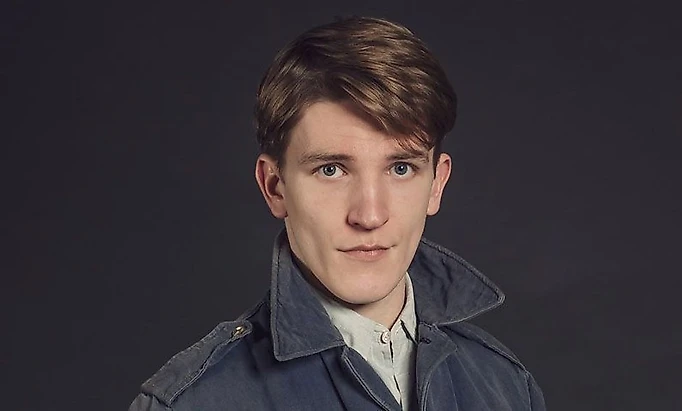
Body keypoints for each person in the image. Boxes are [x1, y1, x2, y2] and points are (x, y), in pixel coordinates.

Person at [129, 16, 546, 411]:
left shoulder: (505, 385)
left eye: (401, 168)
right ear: (275, 187)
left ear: (436, 184)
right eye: (331, 170)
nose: (370, 215)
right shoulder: (193, 403)